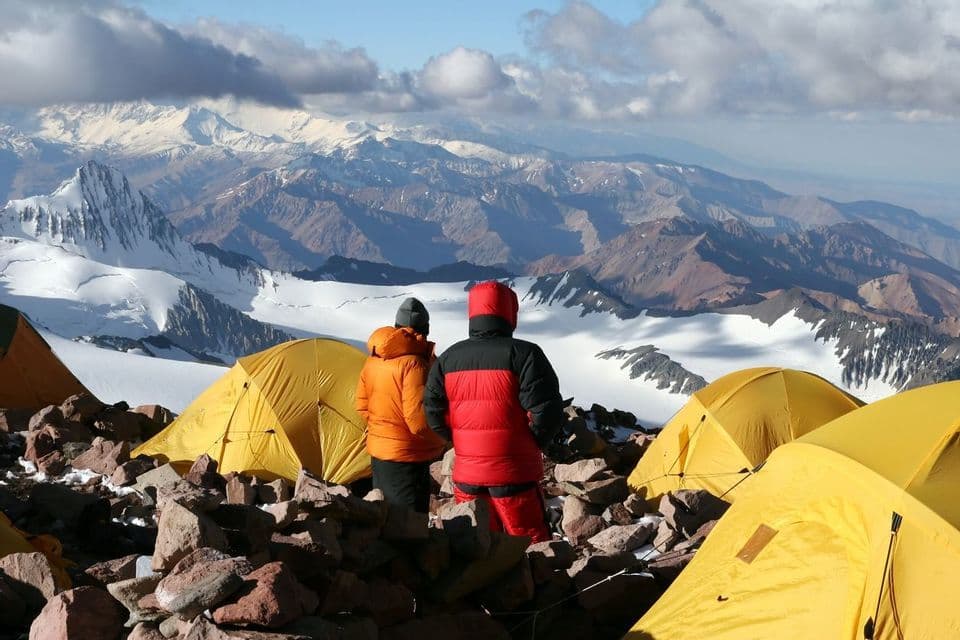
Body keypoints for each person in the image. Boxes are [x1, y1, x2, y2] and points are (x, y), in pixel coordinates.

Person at [424, 281, 564, 542]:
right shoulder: (525, 354)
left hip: (467, 475)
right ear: (510, 313)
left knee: (482, 544)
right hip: (514, 472)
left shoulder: (448, 358)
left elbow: (432, 411)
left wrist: (459, 441)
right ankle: (536, 581)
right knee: (529, 541)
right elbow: (547, 409)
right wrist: (533, 442)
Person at [355, 297, 446, 512]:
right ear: (425, 329)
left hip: (380, 453)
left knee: (385, 517)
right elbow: (419, 423)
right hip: (408, 456)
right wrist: (444, 439)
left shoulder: (375, 359)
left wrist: (384, 432)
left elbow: (361, 405)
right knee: (408, 526)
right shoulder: (414, 364)